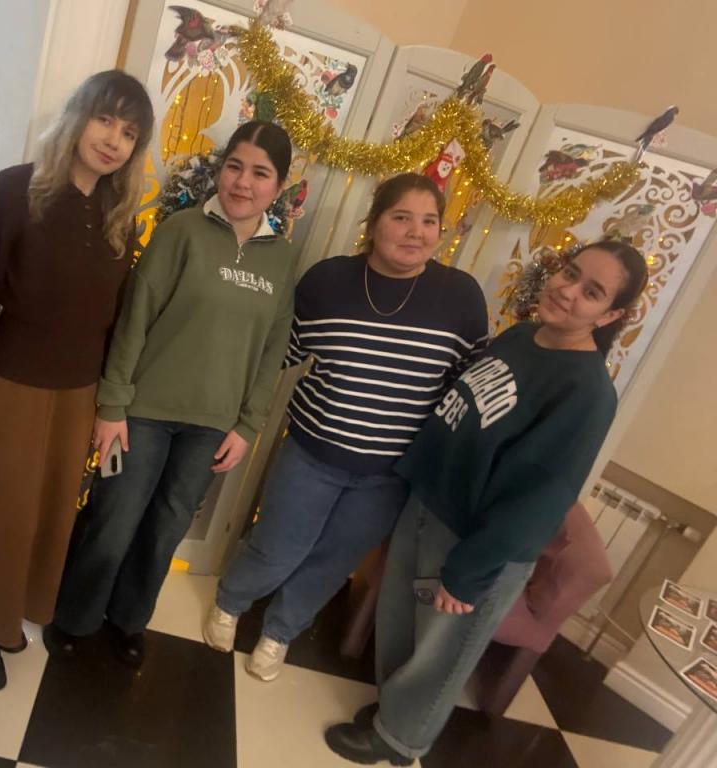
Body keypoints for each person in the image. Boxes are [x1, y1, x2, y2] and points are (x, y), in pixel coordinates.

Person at [324, 240, 648, 765]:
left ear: (609, 315)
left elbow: (539, 498)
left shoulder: (586, 394)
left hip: (475, 543)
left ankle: (401, 740)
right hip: (429, 508)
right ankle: (392, 712)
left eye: (591, 292)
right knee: (403, 623)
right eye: (570, 273)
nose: (567, 291)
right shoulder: (520, 337)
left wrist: (469, 571)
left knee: (441, 650)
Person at [202, 173, 488, 681]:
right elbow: (280, 353)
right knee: (276, 547)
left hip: (390, 474)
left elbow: (462, 392)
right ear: (373, 224)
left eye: (429, 221)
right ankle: (231, 602)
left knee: (333, 561)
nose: (416, 232)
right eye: (401, 217)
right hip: (312, 454)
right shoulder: (328, 281)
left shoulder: (461, 298)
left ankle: (281, 631)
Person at [43, 120, 297, 669]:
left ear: (279, 186)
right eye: (235, 166)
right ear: (221, 169)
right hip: (142, 413)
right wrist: (113, 405)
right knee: (114, 519)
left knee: (164, 532)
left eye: (260, 173)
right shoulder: (182, 230)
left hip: (213, 427)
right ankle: (75, 615)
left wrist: (248, 424)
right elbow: (135, 317)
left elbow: (273, 349)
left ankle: (128, 620)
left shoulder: (281, 259)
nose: (243, 182)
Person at [0, 70, 153, 693]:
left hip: (79, 394)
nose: (114, 140)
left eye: (129, 132)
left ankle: (9, 613)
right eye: (105, 119)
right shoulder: (18, 188)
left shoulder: (118, 215)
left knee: (48, 516)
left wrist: (106, 404)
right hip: (12, 382)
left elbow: (114, 319)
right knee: (6, 515)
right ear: (78, 117)